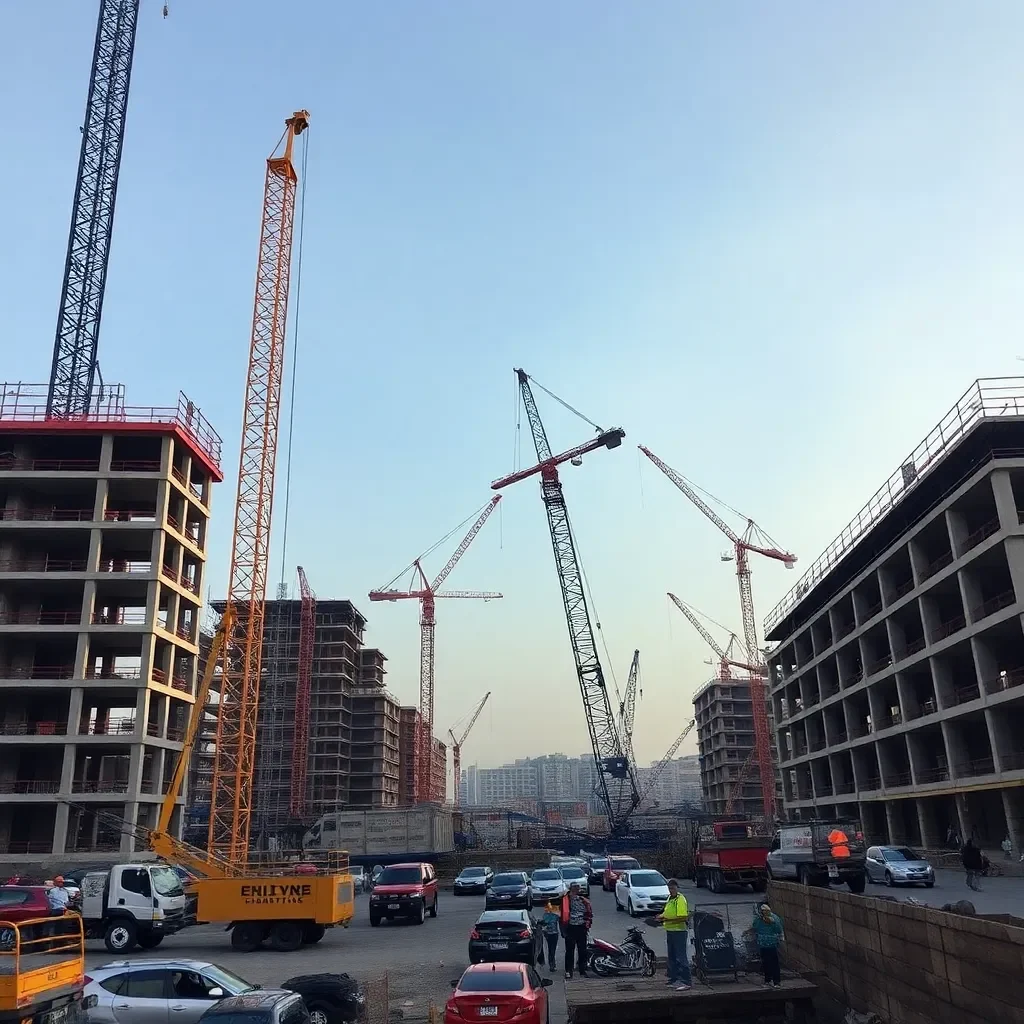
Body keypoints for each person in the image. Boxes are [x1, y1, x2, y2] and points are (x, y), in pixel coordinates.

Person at [655, 877, 691, 991]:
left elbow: (683, 917)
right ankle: (674, 979)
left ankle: (686, 981)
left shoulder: (680, 899)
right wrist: (659, 917)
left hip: (679, 932)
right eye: (669, 888)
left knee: (681, 957)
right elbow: (667, 912)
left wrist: (666, 920)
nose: (671, 890)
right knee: (672, 957)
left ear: (677, 888)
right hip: (670, 931)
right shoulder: (670, 898)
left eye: (673, 888)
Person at [559, 881, 592, 980]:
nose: (576, 890)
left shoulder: (583, 899)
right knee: (570, 951)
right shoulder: (565, 899)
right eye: (574, 888)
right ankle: (568, 971)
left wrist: (587, 923)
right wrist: (563, 929)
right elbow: (561, 915)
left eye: (578, 888)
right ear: (571, 888)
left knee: (582, 950)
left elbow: (588, 912)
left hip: (581, 928)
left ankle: (582, 970)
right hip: (570, 928)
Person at [751, 903, 785, 988]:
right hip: (767, 944)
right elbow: (755, 927)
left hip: (768, 944)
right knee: (769, 963)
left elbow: (778, 929)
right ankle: (771, 981)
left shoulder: (771, 919)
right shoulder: (762, 919)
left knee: (771, 963)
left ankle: (773, 981)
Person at [540, 901, 559, 971]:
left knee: (550, 949)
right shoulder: (555, 915)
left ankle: (552, 964)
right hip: (553, 934)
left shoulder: (545, 915)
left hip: (548, 933)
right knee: (552, 950)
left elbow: (543, 923)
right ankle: (552, 965)